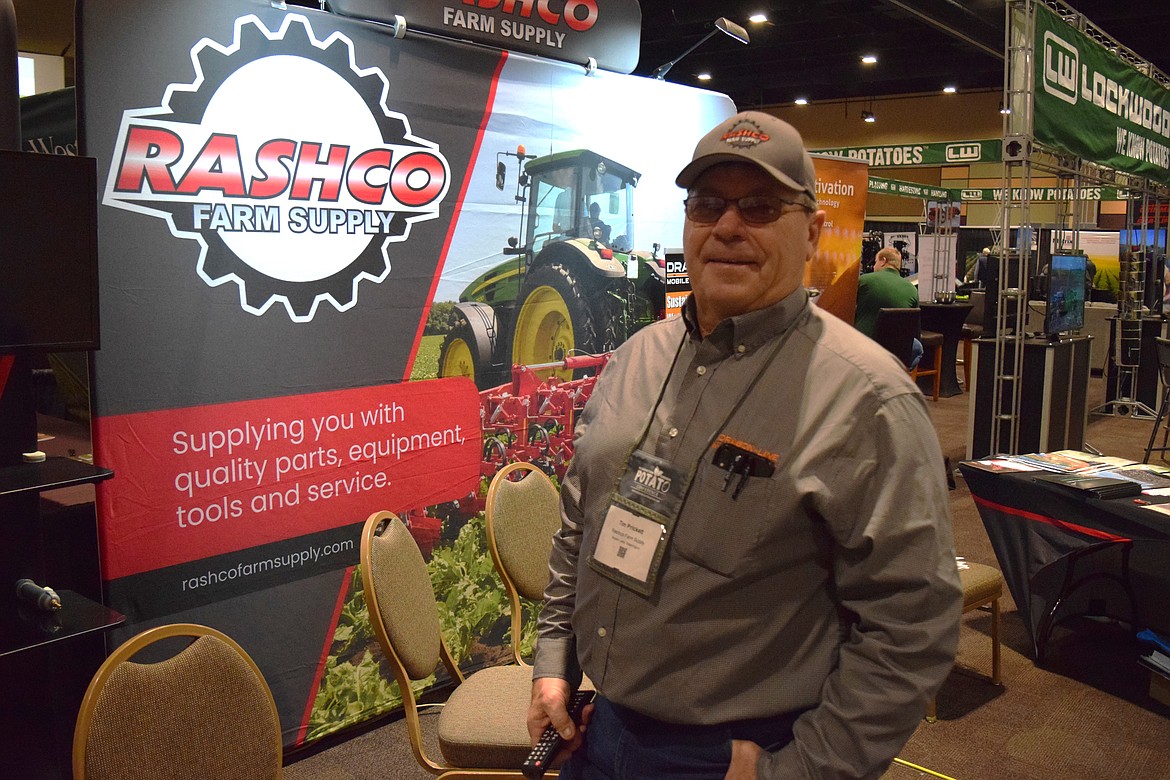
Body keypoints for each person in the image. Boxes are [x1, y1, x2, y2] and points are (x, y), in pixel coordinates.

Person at [527, 111, 962, 780]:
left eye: (760, 207)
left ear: (813, 232)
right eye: (708, 204)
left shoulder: (868, 399)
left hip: (731, 757)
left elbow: (912, 628)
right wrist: (554, 663)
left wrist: (798, 772)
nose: (728, 226)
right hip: (597, 726)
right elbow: (579, 522)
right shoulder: (636, 358)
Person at [854, 245, 923, 368]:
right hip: (899, 353)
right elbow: (915, 327)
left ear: (883, 261)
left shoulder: (864, 281)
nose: (874, 266)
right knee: (917, 347)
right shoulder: (912, 289)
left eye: (875, 262)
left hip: (864, 347)